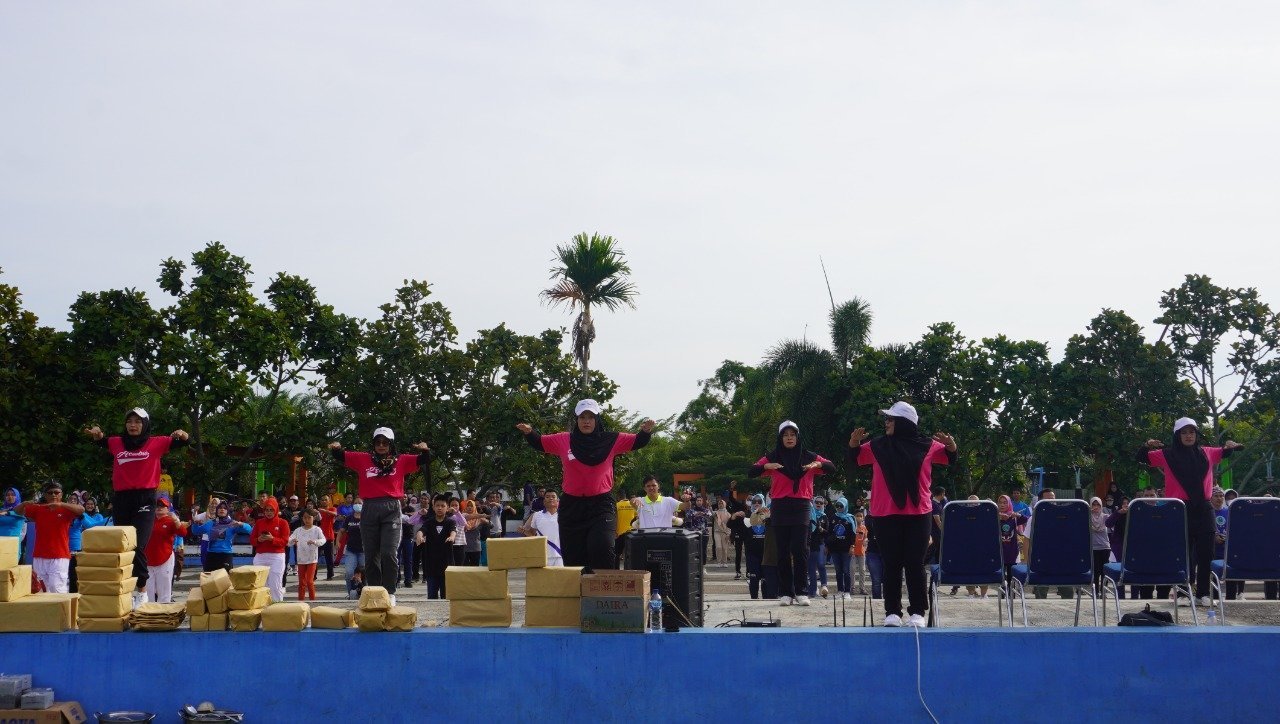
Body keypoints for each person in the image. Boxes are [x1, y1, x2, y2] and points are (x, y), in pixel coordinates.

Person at [846, 401, 957, 628]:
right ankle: (892, 612)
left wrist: (952, 446)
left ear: (904, 423)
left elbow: (949, 457)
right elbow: (855, 457)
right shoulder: (877, 445)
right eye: (887, 419)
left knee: (915, 563)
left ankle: (917, 612)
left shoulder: (927, 445)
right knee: (892, 563)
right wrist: (854, 442)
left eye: (891, 419)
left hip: (919, 513)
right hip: (885, 514)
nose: (886, 423)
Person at [518, 399, 653, 571]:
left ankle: (604, 587)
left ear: (597, 419)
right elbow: (540, 442)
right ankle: (580, 587)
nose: (586, 421)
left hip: (601, 505)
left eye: (590, 417)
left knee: (602, 547)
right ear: (577, 420)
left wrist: (645, 431)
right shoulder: (564, 439)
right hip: (572, 507)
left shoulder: (611, 439)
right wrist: (529, 432)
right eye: (582, 417)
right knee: (574, 560)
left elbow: (637, 441)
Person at [84, 407, 190, 606]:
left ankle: (142, 591)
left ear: (145, 424)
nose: (133, 425)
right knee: (124, 546)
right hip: (122, 499)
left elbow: (184, 442)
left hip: (145, 498)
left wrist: (183, 434)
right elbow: (101, 440)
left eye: (138, 422)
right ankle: (125, 589)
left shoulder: (156, 443)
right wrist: (97, 434)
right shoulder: (116, 443)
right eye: (129, 421)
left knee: (138, 544)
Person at [1137, 417, 1243, 606]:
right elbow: (1142, 458)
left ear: (1196, 434)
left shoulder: (1206, 452)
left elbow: (1225, 452)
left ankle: (1203, 593)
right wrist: (1147, 445)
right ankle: (1183, 593)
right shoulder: (1166, 454)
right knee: (1184, 553)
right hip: (1180, 508)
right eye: (1184, 432)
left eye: (1192, 432)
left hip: (1204, 508)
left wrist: (1230, 446)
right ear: (1177, 435)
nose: (1188, 436)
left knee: (1206, 552)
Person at [330, 427, 431, 606]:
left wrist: (425, 449)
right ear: (374, 444)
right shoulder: (363, 459)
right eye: (378, 442)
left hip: (391, 508)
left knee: (388, 552)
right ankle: (376, 591)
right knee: (371, 555)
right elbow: (340, 455)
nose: (381, 445)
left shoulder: (401, 460)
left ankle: (390, 592)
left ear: (391, 444)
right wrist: (336, 447)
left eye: (385, 442)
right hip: (369, 508)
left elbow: (424, 459)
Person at [748, 420, 836, 607]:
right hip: (780, 506)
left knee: (800, 549)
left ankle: (802, 591)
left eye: (792, 435)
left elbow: (831, 467)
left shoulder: (808, 456)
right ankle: (786, 592)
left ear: (797, 437)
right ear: (781, 438)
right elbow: (751, 471)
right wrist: (766, 467)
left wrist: (817, 464)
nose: (789, 438)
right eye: (786, 435)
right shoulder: (773, 457)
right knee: (782, 551)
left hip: (801, 505)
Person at [14, 481, 84, 594]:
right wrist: (24, 504)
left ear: (61, 494)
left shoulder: (66, 510)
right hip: (39, 555)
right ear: (45, 495)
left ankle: (61, 606)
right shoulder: (38, 509)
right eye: (50, 493)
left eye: (56, 492)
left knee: (57, 588)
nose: (53, 495)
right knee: (41, 590)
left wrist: (61, 504)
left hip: (59, 556)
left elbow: (81, 510)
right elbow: (17, 512)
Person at [143, 494, 188, 604]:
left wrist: (176, 520)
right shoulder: (148, 520)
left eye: (162, 506)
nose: (159, 507)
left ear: (168, 509)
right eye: (157, 505)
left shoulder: (170, 521)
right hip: (148, 559)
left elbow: (183, 532)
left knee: (164, 591)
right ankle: (149, 612)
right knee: (148, 591)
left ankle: (163, 612)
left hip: (165, 558)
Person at [190, 501, 250, 573]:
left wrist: (242, 524)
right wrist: (195, 524)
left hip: (226, 555)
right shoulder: (211, 523)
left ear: (227, 511)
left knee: (225, 578)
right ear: (217, 510)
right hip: (212, 554)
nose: (222, 509)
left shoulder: (232, 523)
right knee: (209, 578)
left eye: (225, 508)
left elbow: (249, 530)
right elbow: (196, 531)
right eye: (220, 508)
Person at [250, 500, 290, 602]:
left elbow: (285, 541)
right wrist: (258, 540)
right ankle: (262, 605)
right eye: (267, 510)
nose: (269, 512)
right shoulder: (259, 522)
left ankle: (277, 605)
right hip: (260, 556)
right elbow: (252, 540)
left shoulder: (283, 522)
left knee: (275, 583)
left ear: (276, 510)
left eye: (271, 510)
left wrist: (272, 539)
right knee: (260, 584)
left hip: (277, 556)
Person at [420, 494, 456, 599]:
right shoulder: (429, 522)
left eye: (443, 506)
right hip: (431, 564)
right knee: (432, 596)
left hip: (447, 564)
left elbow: (453, 531)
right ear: (433, 507)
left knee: (446, 596)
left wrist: (452, 537)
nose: (440, 508)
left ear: (447, 508)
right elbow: (422, 530)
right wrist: (420, 536)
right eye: (437, 506)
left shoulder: (450, 522)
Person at [68, 496, 106, 593]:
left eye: (75, 499)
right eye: (71, 499)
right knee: (64, 574)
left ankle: (74, 595)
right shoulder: (64, 512)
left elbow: (91, 526)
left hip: (78, 546)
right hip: (63, 545)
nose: (72, 501)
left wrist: (109, 519)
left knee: (74, 573)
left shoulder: (82, 514)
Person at [289, 509, 327, 601]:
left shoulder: (317, 529)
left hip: (312, 559)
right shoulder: (298, 530)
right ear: (302, 518)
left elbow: (323, 540)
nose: (307, 520)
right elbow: (288, 541)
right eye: (305, 518)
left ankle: (312, 601)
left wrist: (315, 542)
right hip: (301, 559)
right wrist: (292, 541)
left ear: (313, 518)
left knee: (309, 581)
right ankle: (300, 602)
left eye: (309, 517)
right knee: (302, 583)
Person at [826, 497, 856, 599]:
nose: (839, 508)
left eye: (841, 506)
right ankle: (840, 590)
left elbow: (853, 534)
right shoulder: (833, 517)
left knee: (846, 570)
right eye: (837, 505)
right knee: (838, 571)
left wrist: (852, 546)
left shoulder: (850, 518)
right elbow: (829, 532)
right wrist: (827, 546)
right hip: (835, 549)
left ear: (845, 506)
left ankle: (847, 591)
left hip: (846, 549)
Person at [524, 490, 564, 566]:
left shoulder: (564, 515)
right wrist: (524, 531)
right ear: (544, 501)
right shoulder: (536, 515)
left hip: (560, 555)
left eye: (553, 497)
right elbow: (532, 534)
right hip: (543, 555)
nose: (550, 498)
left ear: (558, 500)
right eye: (547, 497)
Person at [997, 495, 1027, 586]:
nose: (1002, 505)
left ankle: (1011, 592)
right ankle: (1003, 593)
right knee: (1000, 576)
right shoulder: (994, 516)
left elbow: (1026, 519)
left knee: (1011, 576)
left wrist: (1017, 515)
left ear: (1009, 504)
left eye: (1005, 503)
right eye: (1000, 502)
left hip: (1012, 550)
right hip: (999, 551)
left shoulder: (1013, 517)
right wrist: (998, 516)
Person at [807, 497, 830, 598]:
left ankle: (824, 585)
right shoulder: (809, 513)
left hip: (820, 543)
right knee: (811, 567)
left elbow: (828, 532)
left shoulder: (824, 516)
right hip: (809, 543)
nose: (819, 504)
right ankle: (813, 590)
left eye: (821, 503)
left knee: (820, 564)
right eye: (817, 502)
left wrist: (821, 530)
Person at [1088, 497, 1111, 595]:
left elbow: (1112, 521)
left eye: (1098, 504)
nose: (1096, 507)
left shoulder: (1105, 516)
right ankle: (1096, 591)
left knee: (1104, 571)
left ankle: (1104, 591)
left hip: (1105, 547)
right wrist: (1088, 512)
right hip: (1093, 547)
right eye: (1094, 504)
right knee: (1096, 571)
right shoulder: (1088, 517)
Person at [345, 504, 365, 597]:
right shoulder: (349, 518)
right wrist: (337, 542)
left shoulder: (367, 517)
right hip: (351, 550)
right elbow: (342, 530)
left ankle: (364, 593)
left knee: (365, 573)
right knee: (349, 572)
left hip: (364, 550)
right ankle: (351, 594)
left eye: (360, 503)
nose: (358, 505)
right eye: (356, 503)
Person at [852, 509, 869, 595]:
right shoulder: (852, 526)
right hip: (853, 552)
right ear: (854, 517)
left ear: (863, 518)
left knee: (862, 570)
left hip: (861, 551)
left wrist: (865, 542)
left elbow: (866, 537)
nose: (859, 518)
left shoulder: (864, 528)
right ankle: (852, 588)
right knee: (852, 569)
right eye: (857, 516)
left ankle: (862, 588)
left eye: (861, 516)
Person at [712, 499, 731, 564]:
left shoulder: (728, 514)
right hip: (717, 532)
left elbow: (730, 525)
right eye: (719, 503)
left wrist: (728, 534)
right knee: (718, 547)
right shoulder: (716, 513)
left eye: (721, 503)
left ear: (724, 504)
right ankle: (719, 562)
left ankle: (724, 562)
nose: (720, 505)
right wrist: (709, 506)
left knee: (724, 548)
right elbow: (711, 513)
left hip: (725, 532)